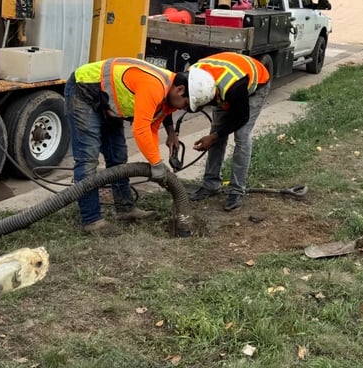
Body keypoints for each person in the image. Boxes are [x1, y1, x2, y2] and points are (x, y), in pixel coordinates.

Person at [64, 56, 214, 235]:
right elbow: (140, 129)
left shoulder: (169, 99)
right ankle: (91, 221)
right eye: (186, 104)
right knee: (87, 160)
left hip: (106, 103)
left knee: (118, 157)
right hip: (84, 91)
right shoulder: (155, 86)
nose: (183, 109)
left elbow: (151, 128)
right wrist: (156, 164)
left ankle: (125, 209)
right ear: (181, 90)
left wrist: (156, 162)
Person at [185, 52, 271, 212]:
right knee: (216, 131)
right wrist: (215, 135)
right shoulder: (192, 76)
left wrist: (214, 136)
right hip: (226, 84)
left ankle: (236, 191)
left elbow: (241, 117)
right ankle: (210, 184)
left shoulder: (233, 87)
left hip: (256, 84)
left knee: (242, 136)